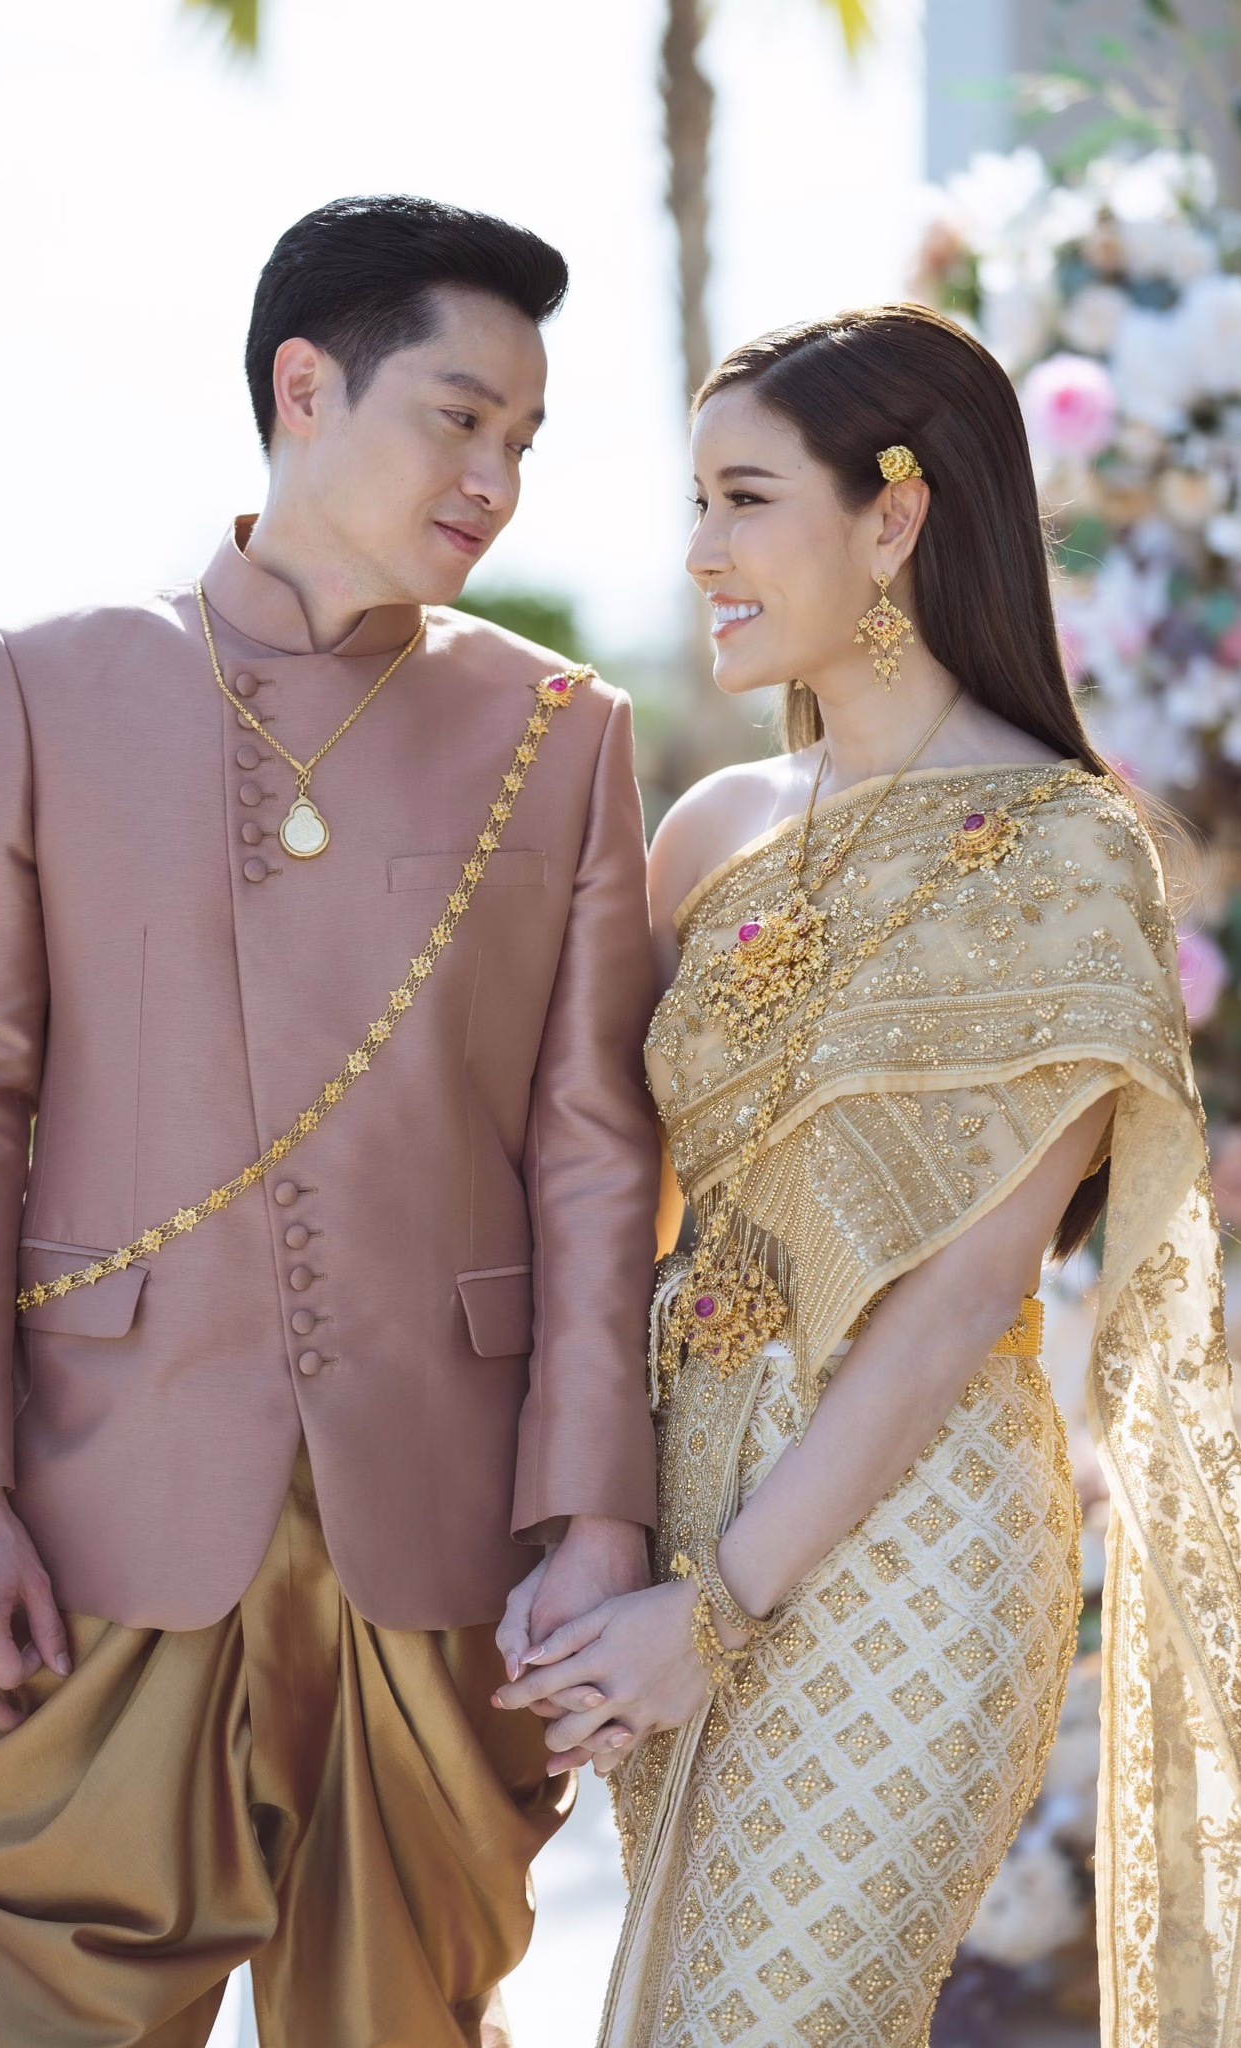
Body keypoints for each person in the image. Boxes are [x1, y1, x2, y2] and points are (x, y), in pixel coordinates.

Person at [0, 194, 661, 2048]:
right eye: (460, 419)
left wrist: (596, 1512)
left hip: (442, 1527)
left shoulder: (560, 731)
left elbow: (592, 1148)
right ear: (304, 387)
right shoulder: (45, 685)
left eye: (527, 441)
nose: (495, 480)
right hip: (108, 1511)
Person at [494, 306, 1240, 2048]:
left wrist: (717, 1611)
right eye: (697, 502)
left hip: (913, 1538)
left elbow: (963, 1300)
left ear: (894, 516)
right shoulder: (713, 829)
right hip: (684, 1492)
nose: (703, 551)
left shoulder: (1069, 851)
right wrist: (593, 1529)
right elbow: (606, 1198)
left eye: (747, 499)